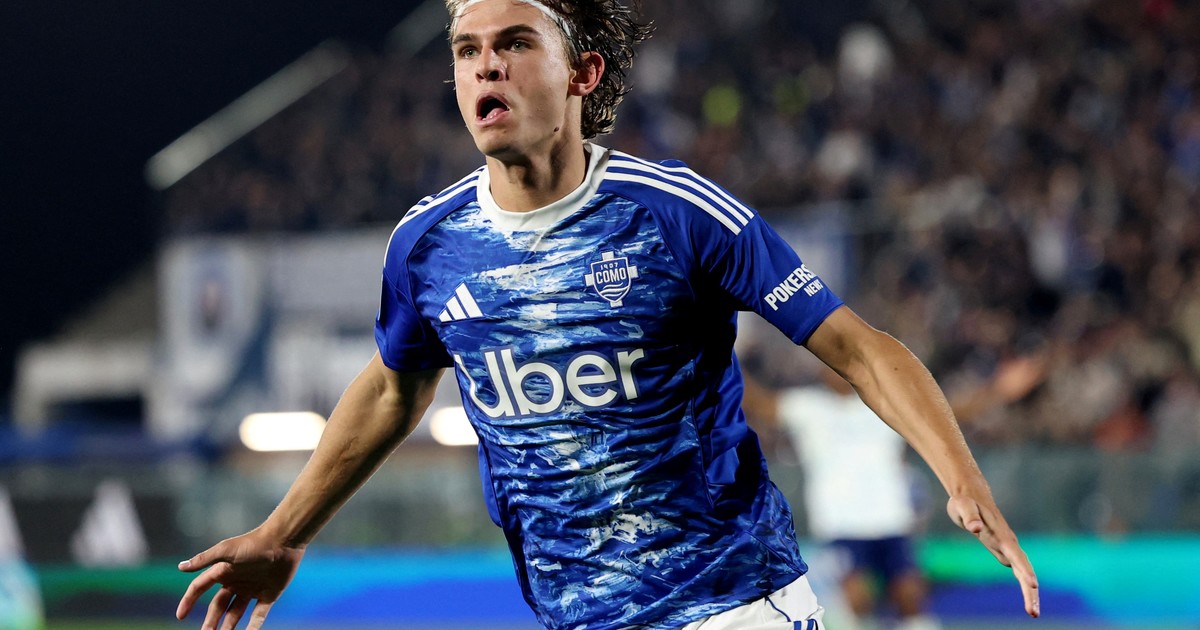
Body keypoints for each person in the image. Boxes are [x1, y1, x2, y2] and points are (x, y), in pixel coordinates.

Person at [175, 1, 1040, 629]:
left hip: (732, 605)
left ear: (582, 74)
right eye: (468, 50)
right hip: (575, 616)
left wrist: (960, 477)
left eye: (515, 43)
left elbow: (859, 347)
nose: (486, 67)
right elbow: (392, 389)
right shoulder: (427, 247)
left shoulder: (677, 213)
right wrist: (284, 533)